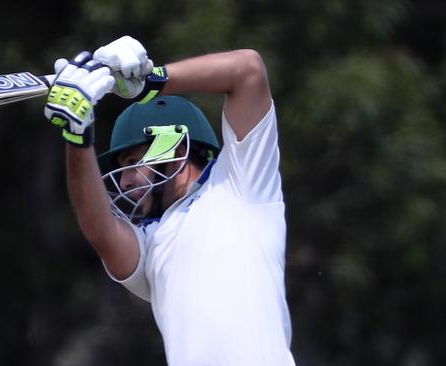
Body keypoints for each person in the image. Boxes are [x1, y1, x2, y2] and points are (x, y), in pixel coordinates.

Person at [44, 36, 295, 365]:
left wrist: (149, 81)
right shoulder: (150, 245)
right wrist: (77, 136)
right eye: (121, 169)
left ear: (174, 149)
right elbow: (101, 231)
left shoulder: (241, 184)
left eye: (133, 160)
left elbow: (248, 70)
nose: (125, 179)